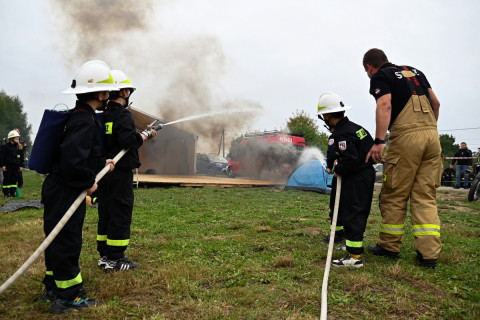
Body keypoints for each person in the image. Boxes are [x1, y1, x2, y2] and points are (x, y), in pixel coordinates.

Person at [41, 60, 116, 313]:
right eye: (107, 92)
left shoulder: (79, 116)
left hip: (58, 187)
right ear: (99, 93)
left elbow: (78, 153)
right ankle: (67, 297)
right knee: (66, 241)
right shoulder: (85, 120)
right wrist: (88, 182)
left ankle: (53, 286)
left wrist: (100, 163)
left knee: (56, 238)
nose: (109, 97)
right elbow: (74, 160)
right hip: (66, 190)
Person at [363, 48, 442, 268]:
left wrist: (379, 142)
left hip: (406, 138)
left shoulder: (381, 76)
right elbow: (436, 103)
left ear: (369, 67)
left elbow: (385, 104)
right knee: (425, 195)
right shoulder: (415, 71)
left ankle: (389, 246)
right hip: (432, 137)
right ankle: (429, 255)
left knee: (395, 192)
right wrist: (428, 129)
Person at [97, 70, 156, 272]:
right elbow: (129, 141)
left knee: (106, 212)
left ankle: (105, 256)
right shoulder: (123, 115)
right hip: (120, 173)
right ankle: (116, 258)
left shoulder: (103, 115)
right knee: (120, 212)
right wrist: (145, 136)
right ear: (123, 91)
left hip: (104, 172)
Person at [317, 92, 376, 268]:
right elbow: (371, 154)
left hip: (354, 178)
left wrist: (336, 169)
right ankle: (351, 247)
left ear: (328, 115)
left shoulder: (340, 135)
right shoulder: (358, 129)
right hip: (364, 175)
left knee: (353, 213)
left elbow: (349, 160)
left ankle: (354, 257)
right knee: (352, 211)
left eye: (324, 117)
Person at [0, 130, 24, 198]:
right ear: (11, 139)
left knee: (14, 180)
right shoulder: (5, 147)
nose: (18, 139)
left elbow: (22, 157)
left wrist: (21, 165)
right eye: (16, 138)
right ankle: (6, 193)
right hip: (7, 166)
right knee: (7, 179)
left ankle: (12, 193)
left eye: (18, 138)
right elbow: (2, 157)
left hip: (16, 166)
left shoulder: (19, 147)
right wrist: (3, 165)